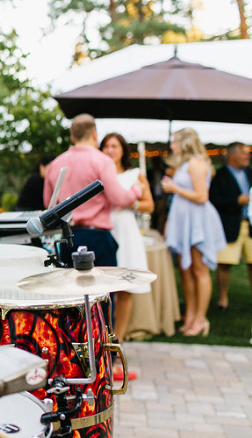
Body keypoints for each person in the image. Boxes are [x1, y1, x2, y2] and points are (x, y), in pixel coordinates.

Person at [43, 114, 144, 269]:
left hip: (67, 238)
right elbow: (119, 199)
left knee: (70, 290)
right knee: (103, 291)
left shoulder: (55, 164)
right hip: (98, 238)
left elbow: (49, 203)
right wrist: (136, 190)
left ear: (72, 136)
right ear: (94, 135)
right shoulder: (102, 161)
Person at [161, 128, 226, 336]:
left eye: (174, 141)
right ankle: (189, 314)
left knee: (199, 269)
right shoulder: (184, 164)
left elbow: (201, 196)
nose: (172, 146)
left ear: (185, 142)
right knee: (185, 269)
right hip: (183, 222)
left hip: (197, 222)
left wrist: (174, 189)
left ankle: (200, 318)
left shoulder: (197, 163)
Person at [100, 133, 154, 345]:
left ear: (123, 150)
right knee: (104, 287)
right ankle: (102, 336)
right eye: (105, 146)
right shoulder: (99, 173)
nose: (109, 150)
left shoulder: (135, 174)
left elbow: (149, 205)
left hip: (126, 231)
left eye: (114, 146)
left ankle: (118, 340)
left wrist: (129, 202)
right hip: (104, 230)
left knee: (124, 288)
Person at [209, 142, 252, 311]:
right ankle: (223, 299)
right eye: (244, 153)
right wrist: (236, 201)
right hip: (229, 224)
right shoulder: (220, 176)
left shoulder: (249, 173)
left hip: (250, 225)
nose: (247, 156)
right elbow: (213, 200)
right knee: (225, 263)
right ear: (232, 155)